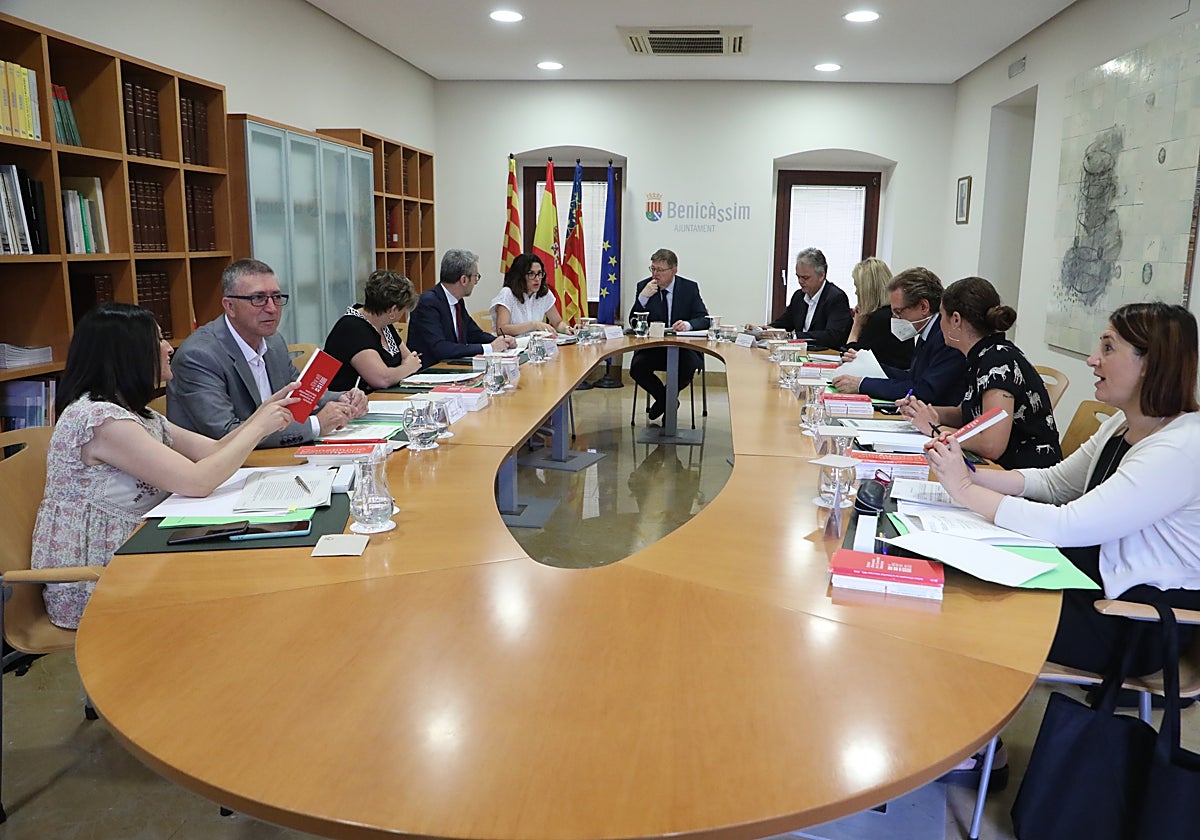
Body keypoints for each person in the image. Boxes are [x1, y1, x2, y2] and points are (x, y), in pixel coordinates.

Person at [926, 302, 1200, 677]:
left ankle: (977, 726)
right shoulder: (1125, 424)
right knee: (954, 580)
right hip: (1088, 582)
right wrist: (969, 475)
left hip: (1131, 617)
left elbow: (1067, 525)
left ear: (1150, 364)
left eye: (1107, 348)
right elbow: (1053, 483)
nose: (1092, 360)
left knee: (972, 610)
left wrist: (963, 489)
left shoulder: (1179, 449)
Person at [31, 302, 299, 629]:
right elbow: (198, 481)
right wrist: (258, 427)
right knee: (238, 585)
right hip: (98, 576)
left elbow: (213, 450)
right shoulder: (100, 419)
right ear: (127, 354)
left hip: (143, 547)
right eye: (157, 340)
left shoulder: (135, 413)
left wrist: (262, 413)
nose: (169, 348)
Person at [167, 258, 367, 448]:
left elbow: (297, 394)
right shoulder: (199, 356)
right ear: (230, 306)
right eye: (258, 298)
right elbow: (225, 433)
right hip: (223, 471)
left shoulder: (273, 341)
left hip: (274, 457)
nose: (272, 308)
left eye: (276, 297)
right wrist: (315, 425)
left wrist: (342, 399)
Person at [897, 276, 1061, 469]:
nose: (940, 324)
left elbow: (991, 444)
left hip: (1024, 474)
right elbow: (967, 413)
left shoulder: (997, 361)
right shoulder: (982, 355)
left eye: (942, 316)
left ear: (956, 319)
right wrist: (923, 411)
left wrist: (936, 429)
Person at [831, 266, 966, 406]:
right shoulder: (928, 332)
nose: (895, 318)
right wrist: (866, 365)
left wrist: (862, 384)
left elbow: (925, 390)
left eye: (899, 312)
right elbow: (913, 378)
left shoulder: (946, 336)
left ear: (923, 307)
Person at [628, 249, 710, 422]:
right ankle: (667, 401)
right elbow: (633, 323)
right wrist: (643, 298)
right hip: (654, 347)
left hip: (683, 348)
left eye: (660, 270)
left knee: (688, 366)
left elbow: (704, 319)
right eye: (653, 269)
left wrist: (687, 325)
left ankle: (663, 403)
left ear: (674, 270)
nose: (655, 275)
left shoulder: (689, 288)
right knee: (637, 368)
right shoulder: (644, 286)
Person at [407, 248, 516, 367]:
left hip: (453, 366)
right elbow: (440, 348)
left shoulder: (457, 300)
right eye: (476, 277)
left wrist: (501, 341)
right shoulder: (428, 303)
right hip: (430, 371)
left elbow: (473, 333)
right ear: (464, 279)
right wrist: (489, 348)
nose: (475, 282)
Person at [324, 269, 422, 392]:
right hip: (349, 403)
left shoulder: (383, 324)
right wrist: (406, 368)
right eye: (403, 311)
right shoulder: (352, 328)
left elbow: (412, 359)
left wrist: (398, 371)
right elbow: (381, 379)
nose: (403, 314)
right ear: (393, 310)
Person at [747, 248, 852, 350]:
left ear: (821, 275)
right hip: (800, 354)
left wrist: (792, 336)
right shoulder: (799, 296)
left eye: (805, 278)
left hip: (825, 356)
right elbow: (783, 324)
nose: (800, 282)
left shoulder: (836, 298)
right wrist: (760, 330)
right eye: (798, 277)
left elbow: (833, 336)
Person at [842, 257, 914, 371]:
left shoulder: (881, 319)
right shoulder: (890, 314)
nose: (856, 292)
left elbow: (849, 359)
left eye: (857, 287)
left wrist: (856, 326)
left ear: (867, 289)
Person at [490, 253, 574, 336]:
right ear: (520, 276)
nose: (537, 279)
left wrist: (567, 329)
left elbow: (558, 322)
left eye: (539, 273)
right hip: (510, 346)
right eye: (531, 274)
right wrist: (534, 325)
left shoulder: (544, 293)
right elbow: (502, 329)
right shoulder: (507, 294)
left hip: (534, 346)